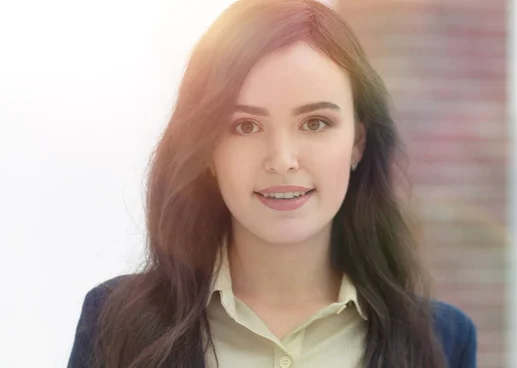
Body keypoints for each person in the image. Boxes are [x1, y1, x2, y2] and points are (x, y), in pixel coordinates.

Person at [67, 0, 477, 367]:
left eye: (315, 123)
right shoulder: (113, 322)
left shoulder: (445, 340)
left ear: (357, 142)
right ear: (207, 149)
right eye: (246, 126)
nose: (282, 160)